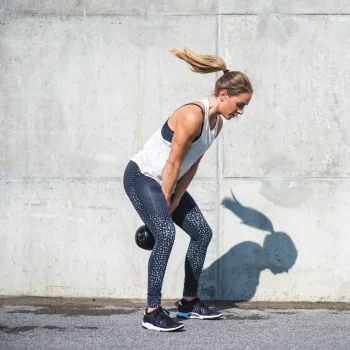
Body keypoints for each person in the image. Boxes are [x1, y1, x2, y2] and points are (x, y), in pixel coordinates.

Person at [123, 46, 253, 332]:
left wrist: (176, 198)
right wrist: (166, 204)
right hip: (143, 177)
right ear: (223, 95)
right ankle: (152, 312)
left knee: (202, 232)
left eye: (244, 107)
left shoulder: (216, 123)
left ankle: (188, 302)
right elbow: (172, 164)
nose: (241, 111)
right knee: (166, 233)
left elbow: (191, 165)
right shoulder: (193, 115)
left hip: (167, 181)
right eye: (240, 104)